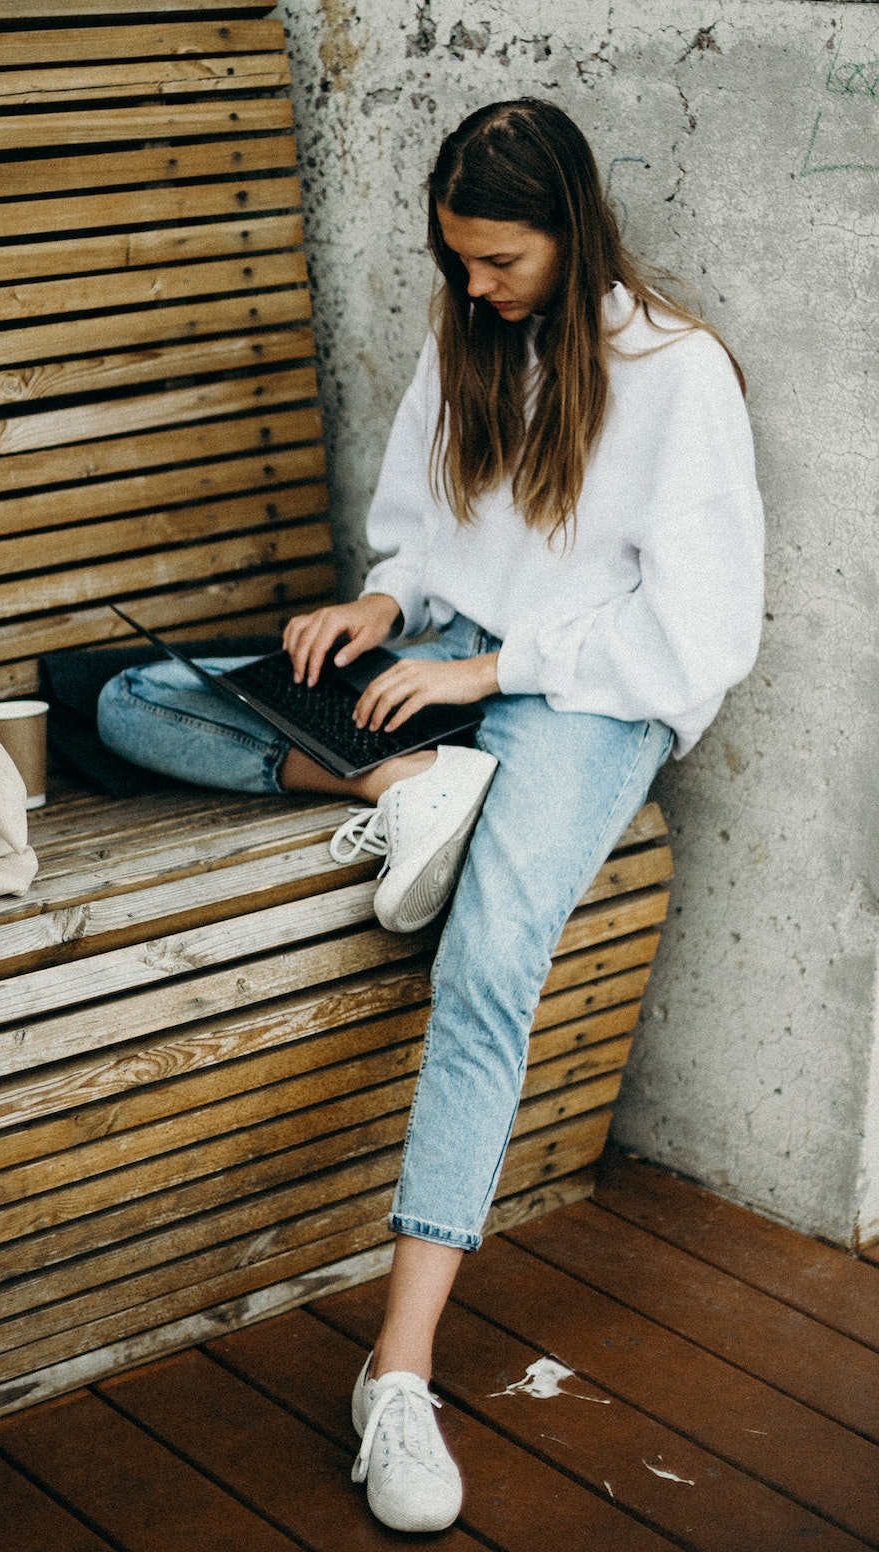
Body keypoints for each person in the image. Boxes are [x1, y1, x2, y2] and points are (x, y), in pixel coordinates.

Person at [98, 97, 763, 1533]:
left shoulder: (676, 374)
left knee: (486, 961)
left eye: (500, 261)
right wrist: (377, 605)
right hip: (440, 676)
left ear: (572, 234)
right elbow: (421, 527)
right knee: (130, 705)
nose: (473, 286)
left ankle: (395, 1378)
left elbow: (703, 633)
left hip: (583, 698)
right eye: (456, 258)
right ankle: (394, 784)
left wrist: (492, 667)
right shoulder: (465, 330)